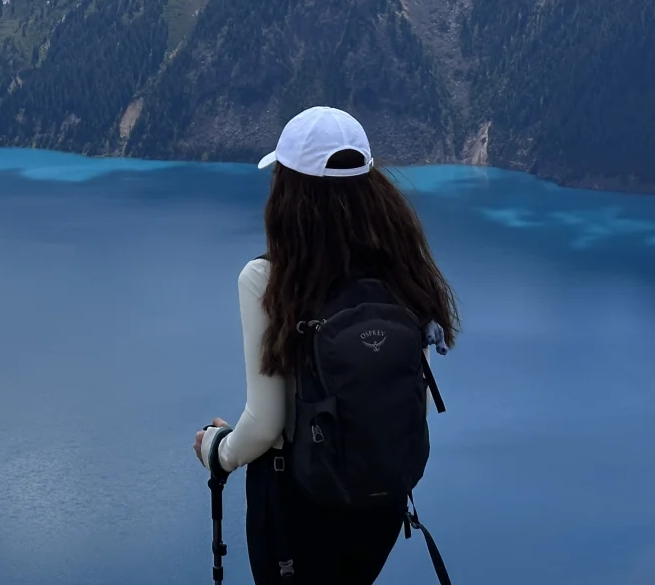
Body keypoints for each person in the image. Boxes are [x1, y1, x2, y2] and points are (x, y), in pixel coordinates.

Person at [193, 106, 460, 585]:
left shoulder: (269, 278)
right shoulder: (400, 271)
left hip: (301, 507)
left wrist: (219, 449)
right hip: (381, 502)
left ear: (289, 189)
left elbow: (267, 421)